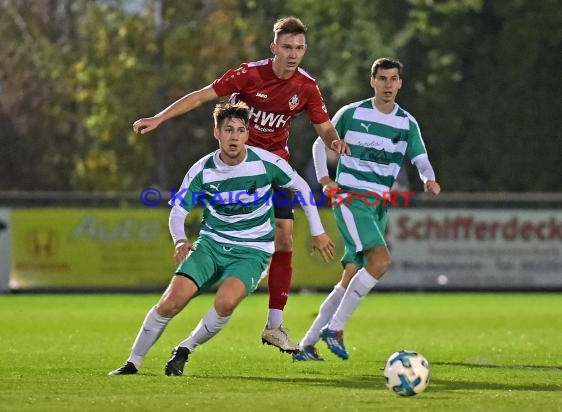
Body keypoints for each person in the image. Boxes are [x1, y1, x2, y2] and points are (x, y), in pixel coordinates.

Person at [132, 16, 348, 353]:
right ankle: (209, 265)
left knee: (286, 238)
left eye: (299, 48)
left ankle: (274, 326)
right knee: (226, 222)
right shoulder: (249, 74)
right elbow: (203, 96)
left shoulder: (306, 86)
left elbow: (323, 126)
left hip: (272, 168)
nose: (293, 54)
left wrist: (335, 142)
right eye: (287, 47)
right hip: (235, 164)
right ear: (274, 47)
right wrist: (159, 118)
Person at [109, 102, 335, 376]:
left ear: (247, 134)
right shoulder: (202, 169)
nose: (234, 137)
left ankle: (185, 348)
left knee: (225, 301)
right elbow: (178, 212)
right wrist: (180, 240)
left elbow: (300, 187)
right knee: (170, 303)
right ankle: (133, 362)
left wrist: (318, 231)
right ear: (216, 132)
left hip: (252, 250)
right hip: (211, 245)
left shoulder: (266, 163)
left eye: (240, 130)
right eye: (228, 130)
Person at [293, 58, 441, 361]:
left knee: (350, 276)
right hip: (351, 197)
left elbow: (420, 158)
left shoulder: (406, 123)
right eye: (382, 79)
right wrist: (325, 178)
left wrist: (429, 178)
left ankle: (306, 345)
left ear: (400, 83)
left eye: (394, 79)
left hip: (378, 205)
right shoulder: (352, 113)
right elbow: (320, 144)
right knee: (380, 260)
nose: (388, 85)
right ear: (372, 81)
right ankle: (335, 329)